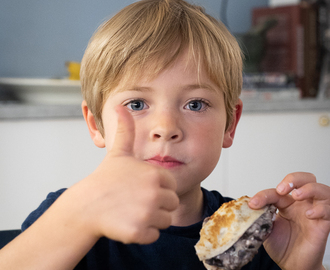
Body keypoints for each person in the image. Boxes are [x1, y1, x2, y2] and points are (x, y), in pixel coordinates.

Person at [0, 0, 329, 269]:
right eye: (138, 103)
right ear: (95, 124)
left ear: (230, 124)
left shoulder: (259, 238)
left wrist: (301, 267)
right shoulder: (68, 217)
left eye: (195, 104)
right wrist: (77, 217)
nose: (166, 128)